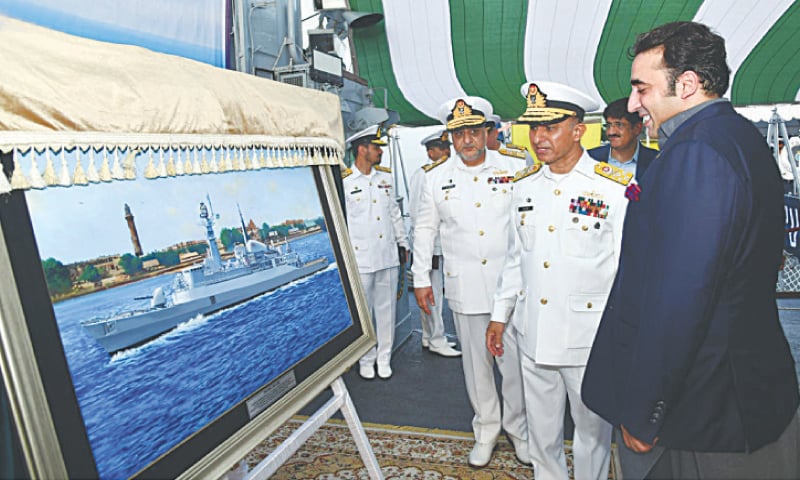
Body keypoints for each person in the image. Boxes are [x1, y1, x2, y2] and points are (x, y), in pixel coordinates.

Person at [582, 21, 800, 480]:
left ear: (686, 84)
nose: (634, 102)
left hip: (710, 407)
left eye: (641, 88)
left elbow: (682, 297)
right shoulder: (738, 137)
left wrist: (644, 410)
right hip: (746, 386)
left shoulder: (696, 152)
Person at [487, 81, 627, 480]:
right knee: (542, 433)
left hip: (588, 337)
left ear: (579, 129)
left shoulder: (613, 189)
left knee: (593, 435)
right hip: (533, 334)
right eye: (534, 128)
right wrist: (500, 315)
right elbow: (517, 259)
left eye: (550, 127)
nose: (539, 138)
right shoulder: (524, 187)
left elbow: (626, 268)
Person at [413, 96, 529, 467]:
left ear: (486, 132)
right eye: (459, 133)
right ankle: (486, 429)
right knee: (476, 367)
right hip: (465, 285)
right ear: (450, 137)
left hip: (510, 287)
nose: (466, 140)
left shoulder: (514, 164)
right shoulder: (435, 178)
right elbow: (423, 230)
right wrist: (419, 278)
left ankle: (519, 429)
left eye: (473, 132)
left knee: (513, 365)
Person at [342, 124, 409, 380]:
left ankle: (384, 357)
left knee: (386, 311)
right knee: (365, 314)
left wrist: (403, 243)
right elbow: (344, 223)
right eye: (375, 147)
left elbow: (394, 214)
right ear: (362, 149)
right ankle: (366, 359)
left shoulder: (385, 179)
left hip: (387, 255)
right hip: (362, 259)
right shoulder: (346, 183)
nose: (380, 152)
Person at [407, 130, 461, 357]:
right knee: (433, 294)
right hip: (432, 245)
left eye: (447, 147)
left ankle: (429, 336)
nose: (447, 151)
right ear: (431, 152)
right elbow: (419, 215)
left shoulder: (448, 173)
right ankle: (437, 339)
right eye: (442, 148)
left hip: (443, 245)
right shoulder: (426, 175)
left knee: (434, 292)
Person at [587, 97, 658, 179]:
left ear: (637, 128)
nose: (611, 132)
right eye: (608, 125)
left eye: (619, 125)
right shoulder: (591, 158)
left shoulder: (655, 162)